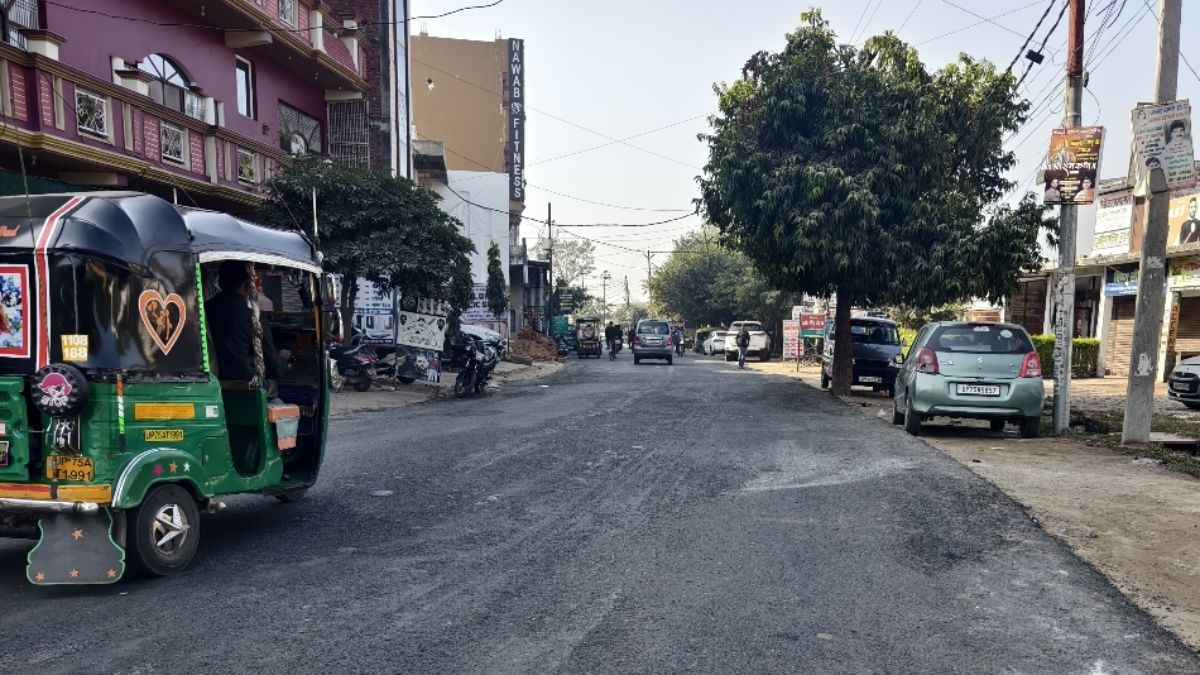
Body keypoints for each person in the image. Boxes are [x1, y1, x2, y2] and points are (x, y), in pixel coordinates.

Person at [207, 261, 289, 389]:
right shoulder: (252, 318)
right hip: (246, 389)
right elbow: (274, 369)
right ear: (247, 285)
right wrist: (284, 358)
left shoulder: (204, 310)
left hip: (210, 384)